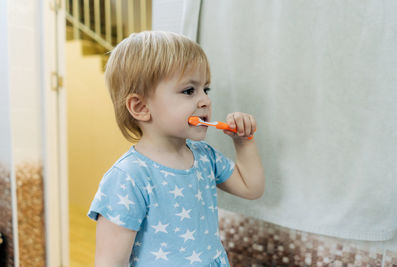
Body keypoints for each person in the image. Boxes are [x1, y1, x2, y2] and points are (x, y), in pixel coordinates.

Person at [88, 31, 265, 267]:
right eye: (189, 91)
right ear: (140, 107)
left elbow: (251, 188)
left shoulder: (205, 156)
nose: (205, 100)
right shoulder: (128, 177)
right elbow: (110, 263)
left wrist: (243, 143)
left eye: (206, 89)